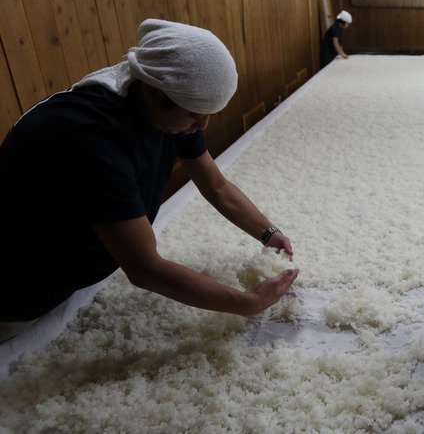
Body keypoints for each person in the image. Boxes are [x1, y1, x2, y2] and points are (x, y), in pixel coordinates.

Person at [0, 19, 299, 342]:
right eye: (195, 115)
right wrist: (251, 303)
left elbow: (217, 187)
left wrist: (268, 233)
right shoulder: (90, 139)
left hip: (65, 278)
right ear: (153, 93)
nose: (202, 125)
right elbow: (145, 268)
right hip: (13, 298)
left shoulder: (171, 107)